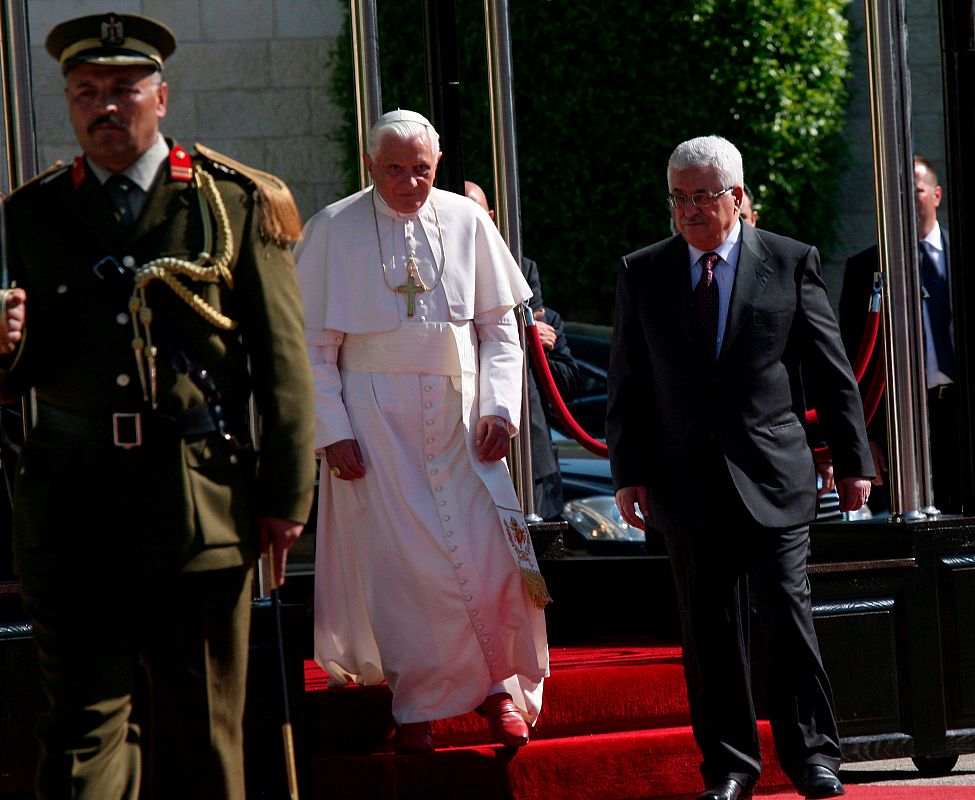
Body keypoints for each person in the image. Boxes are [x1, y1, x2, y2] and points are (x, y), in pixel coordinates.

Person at [0, 13, 316, 799]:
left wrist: (283, 500)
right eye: (86, 93)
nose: (105, 107)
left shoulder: (230, 205)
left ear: (160, 98)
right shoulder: (29, 217)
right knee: (79, 735)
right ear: (70, 105)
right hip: (71, 504)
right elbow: (22, 376)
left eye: (123, 90)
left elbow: (281, 365)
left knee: (205, 732)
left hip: (197, 503)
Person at [608, 135, 873, 800]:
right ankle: (729, 768)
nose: (691, 210)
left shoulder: (787, 261)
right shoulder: (643, 271)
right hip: (683, 482)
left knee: (786, 614)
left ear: (735, 197)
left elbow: (829, 371)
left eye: (703, 196)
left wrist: (852, 461)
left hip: (774, 475)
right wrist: (626, 472)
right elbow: (627, 382)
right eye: (679, 198)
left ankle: (814, 757)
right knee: (709, 632)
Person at [294, 110, 549, 755]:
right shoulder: (332, 229)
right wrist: (333, 429)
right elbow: (314, 348)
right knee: (403, 569)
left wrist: (501, 409)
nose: (411, 184)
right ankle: (416, 708)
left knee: (488, 556)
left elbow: (498, 332)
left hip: (463, 416)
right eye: (396, 170)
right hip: (375, 422)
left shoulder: (467, 221)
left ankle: (500, 687)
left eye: (423, 171)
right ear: (370, 167)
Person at [839, 156, 959, 514]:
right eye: (898, 192)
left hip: (958, 413)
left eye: (916, 191)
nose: (906, 199)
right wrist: (864, 438)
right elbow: (850, 359)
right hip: (897, 423)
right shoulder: (865, 269)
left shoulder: (959, 257)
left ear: (936, 195)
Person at [464, 180, 581, 520]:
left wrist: (531, 345)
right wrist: (519, 333)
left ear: (491, 217)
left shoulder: (528, 285)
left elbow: (568, 383)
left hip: (532, 459)